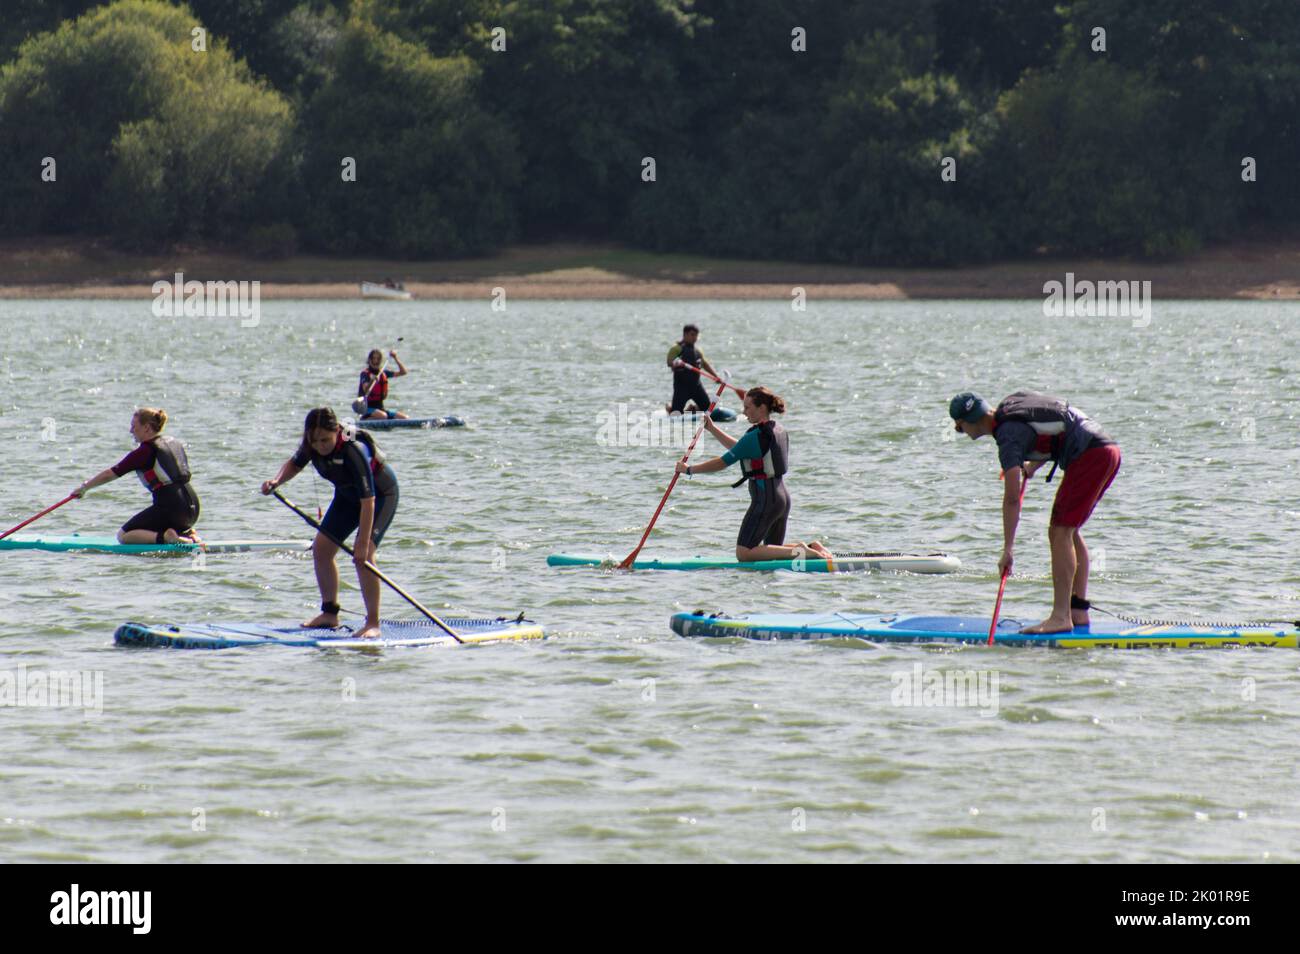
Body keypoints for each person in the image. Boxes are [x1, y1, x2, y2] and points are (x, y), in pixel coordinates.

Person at [949, 390, 1122, 634]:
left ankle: (1060, 617)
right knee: (1069, 531)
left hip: (1091, 455)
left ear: (966, 423)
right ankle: (1078, 611)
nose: (963, 433)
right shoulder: (1012, 403)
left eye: (960, 429)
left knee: (1059, 532)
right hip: (1107, 448)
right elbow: (1053, 426)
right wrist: (1032, 465)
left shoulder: (1007, 439)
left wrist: (1007, 550)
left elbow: (1011, 499)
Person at [261, 407, 398, 639]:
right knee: (321, 550)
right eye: (315, 442)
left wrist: (363, 543)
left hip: (379, 497)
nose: (320, 446)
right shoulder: (311, 445)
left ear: (336, 431)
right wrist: (276, 481)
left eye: (325, 440)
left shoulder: (352, 449)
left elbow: (369, 500)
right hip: (347, 498)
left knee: (364, 557)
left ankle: (373, 622)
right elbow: (294, 465)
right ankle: (329, 613)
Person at [674, 386, 833, 562]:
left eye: (748, 407)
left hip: (766, 501)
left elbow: (722, 462)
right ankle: (812, 547)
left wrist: (688, 469)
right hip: (782, 499)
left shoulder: (755, 436)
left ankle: (800, 551)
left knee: (744, 553)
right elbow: (741, 448)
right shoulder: (777, 429)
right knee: (771, 553)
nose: (744, 412)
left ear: (762, 408)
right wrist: (712, 429)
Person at [71, 407, 200, 545]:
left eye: (134, 426)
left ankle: (166, 538)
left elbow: (110, 474)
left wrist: (84, 488)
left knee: (124, 535)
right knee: (165, 519)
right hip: (192, 506)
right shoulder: (174, 443)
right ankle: (187, 533)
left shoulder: (145, 451)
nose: (131, 430)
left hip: (171, 507)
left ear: (146, 427)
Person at [666, 324, 721, 415]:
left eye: (696, 335)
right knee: (676, 413)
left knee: (708, 410)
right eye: (692, 335)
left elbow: (705, 365)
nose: (695, 338)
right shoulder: (676, 348)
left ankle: (692, 409)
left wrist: (715, 377)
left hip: (696, 386)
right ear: (685, 334)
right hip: (681, 387)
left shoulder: (697, 351)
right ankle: (669, 407)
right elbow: (669, 362)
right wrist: (675, 363)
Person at [357, 348, 408, 419]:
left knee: (405, 418)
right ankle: (365, 419)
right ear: (369, 360)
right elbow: (365, 390)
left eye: (378, 359)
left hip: (380, 409)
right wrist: (372, 380)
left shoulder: (383, 373)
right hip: (366, 409)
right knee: (383, 416)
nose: (375, 361)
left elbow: (403, 372)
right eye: (373, 358)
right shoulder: (365, 374)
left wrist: (395, 358)